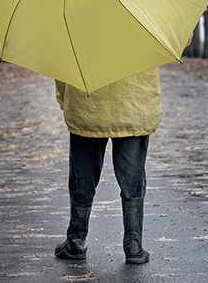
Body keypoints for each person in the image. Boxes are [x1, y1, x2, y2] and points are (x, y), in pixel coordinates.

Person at [53, 67, 162, 264]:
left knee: (82, 175)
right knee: (133, 177)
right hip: (134, 103)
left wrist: (65, 99)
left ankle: (77, 240)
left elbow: (63, 67)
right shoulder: (146, 34)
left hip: (86, 103)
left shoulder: (77, 34)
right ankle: (134, 245)